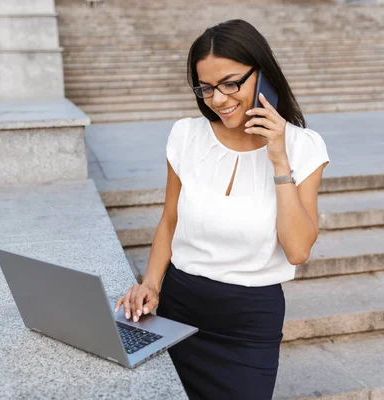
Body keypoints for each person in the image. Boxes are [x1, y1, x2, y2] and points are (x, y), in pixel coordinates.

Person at [115, 19, 330, 400]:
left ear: (262, 74)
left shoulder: (304, 147)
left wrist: (279, 158)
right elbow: (169, 220)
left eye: (231, 83)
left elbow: (297, 250)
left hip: (247, 326)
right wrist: (150, 284)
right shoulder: (186, 135)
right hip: (178, 308)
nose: (218, 99)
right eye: (207, 87)